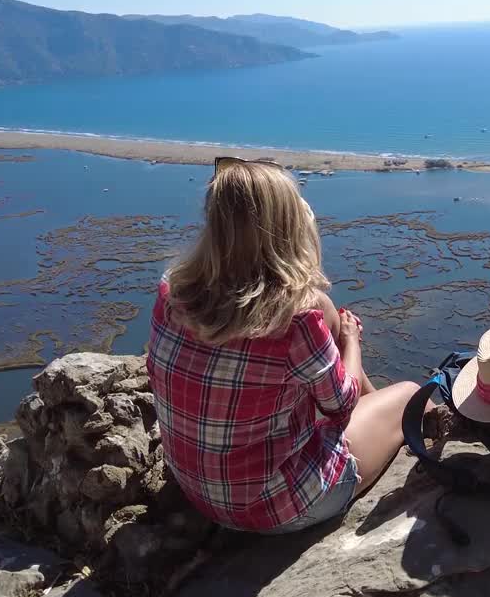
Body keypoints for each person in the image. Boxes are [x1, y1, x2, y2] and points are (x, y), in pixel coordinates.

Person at [147, 158, 421, 535]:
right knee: (409, 395)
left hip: (197, 490)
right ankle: (433, 429)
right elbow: (341, 405)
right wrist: (350, 338)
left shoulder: (171, 293)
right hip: (274, 508)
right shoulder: (295, 318)